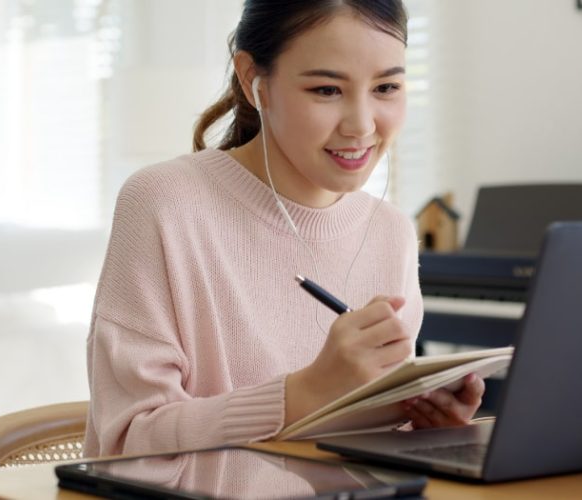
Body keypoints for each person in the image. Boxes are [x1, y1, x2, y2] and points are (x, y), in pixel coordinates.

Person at [85, 0, 485, 457]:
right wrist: (304, 393)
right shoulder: (164, 202)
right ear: (254, 81)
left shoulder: (389, 231)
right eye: (326, 90)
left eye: (387, 87)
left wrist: (425, 429)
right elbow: (126, 441)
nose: (362, 125)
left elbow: (358, 450)